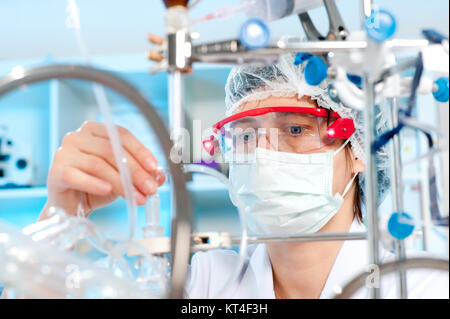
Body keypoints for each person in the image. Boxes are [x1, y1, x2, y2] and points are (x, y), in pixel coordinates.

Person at [38, 54, 448, 299]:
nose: (265, 154)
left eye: (295, 129)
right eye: (247, 135)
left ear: (357, 148)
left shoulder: (422, 286)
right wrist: (62, 214)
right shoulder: (203, 283)